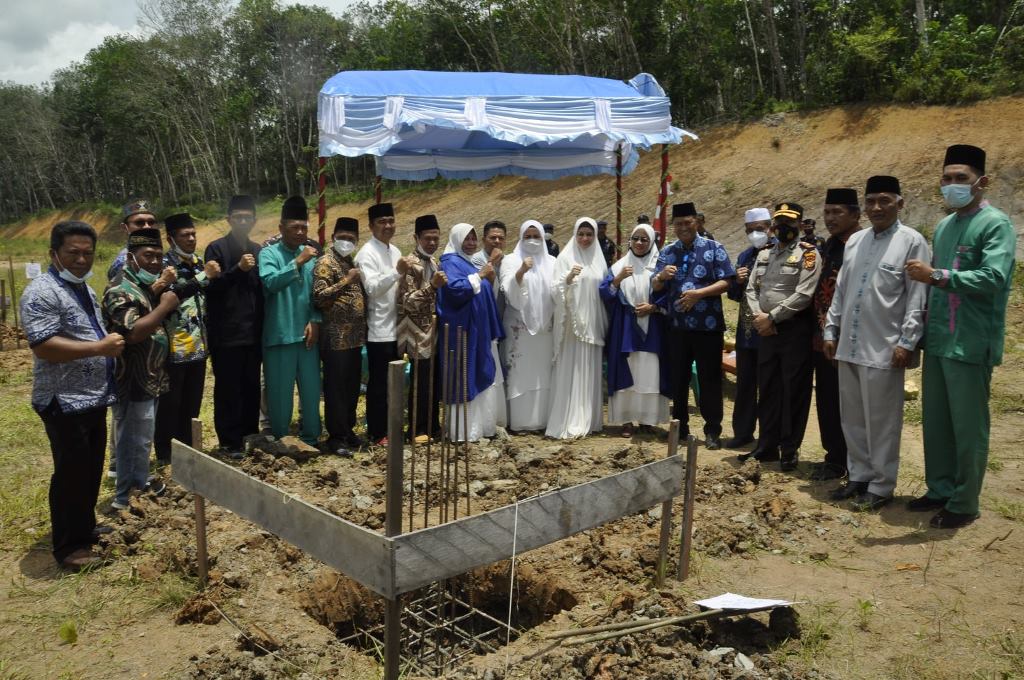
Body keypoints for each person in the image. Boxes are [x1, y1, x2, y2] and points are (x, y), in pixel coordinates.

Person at [905, 144, 1017, 529]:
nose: (952, 185)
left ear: (982, 182)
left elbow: (995, 277)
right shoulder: (945, 226)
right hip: (939, 340)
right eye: (947, 179)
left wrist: (937, 275)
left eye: (961, 179)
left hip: (970, 341)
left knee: (968, 426)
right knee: (935, 422)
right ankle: (939, 488)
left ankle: (965, 501)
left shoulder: (995, 224)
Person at [21, 221, 124, 569]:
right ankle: (69, 547)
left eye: (88, 253)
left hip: (92, 397)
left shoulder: (84, 289)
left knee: (90, 467)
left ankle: (85, 527)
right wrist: (100, 347)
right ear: (53, 254)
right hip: (63, 400)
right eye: (73, 253)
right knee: (70, 473)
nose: (82, 259)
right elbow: (44, 345)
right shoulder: (41, 291)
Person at [823, 176, 930, 511]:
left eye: (885, 201)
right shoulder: (855, 241)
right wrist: (830, 329)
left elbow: (918, 297)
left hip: (885, 347)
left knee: (882, 422)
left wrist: (907, 341)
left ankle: (882, 486)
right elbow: (841, 291)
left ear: (900, 203)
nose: (876, 208)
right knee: (851, 418)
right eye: (870, 201)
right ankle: (858, 476)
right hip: (849, 345)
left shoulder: (912, 242)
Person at [102, 227, 180, 509]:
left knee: (142, 438)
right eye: (148, 255)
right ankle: (125, 497)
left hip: (151, 377)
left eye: (159, 256)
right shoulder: (120, 288)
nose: (155, 261)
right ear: (131, 257)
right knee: (130, 439)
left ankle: (141, 480)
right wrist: (165, 306)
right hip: (133, 379)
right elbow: (133, 331)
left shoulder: (142, 286)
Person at [741, 203, 821, 471]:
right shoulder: (765, 254)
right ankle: (766, 445)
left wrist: (772, 317)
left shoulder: (808, 255)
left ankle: (789, 449)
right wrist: (759, 318)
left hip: (792, 330)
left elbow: (804, 294)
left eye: (790, 223)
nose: (783, 228)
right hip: (766, 331)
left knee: (793, 391)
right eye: (780, 223)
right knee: (769, 388)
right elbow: (751, 289)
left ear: (799, 225)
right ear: (773, 225)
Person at [652, 202, 735, 449]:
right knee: (679, 379)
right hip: (677, 328)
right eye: (678, 224)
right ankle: (680, 428)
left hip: (707, 328)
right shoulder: (667, 252)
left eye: (688, 223)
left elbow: (727, 281)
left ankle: (712, 432)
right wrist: (661, 277)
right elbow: (654, 287)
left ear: (696, 222)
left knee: (710, 379)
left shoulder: (713, 248)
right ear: (673, 227)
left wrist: (699, 294)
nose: (683, 228)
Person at [153, 213, 221, 464]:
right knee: (170, 405)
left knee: (191, 403)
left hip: (198, 346)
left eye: (193, 234)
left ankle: (187, 451)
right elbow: (172, 295)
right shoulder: (164, 265)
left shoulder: (198, 262)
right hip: (174, 347)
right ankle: (166, 455)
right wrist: (205, 276)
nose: (191, 238)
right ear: (171, 238)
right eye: (185, 235)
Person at [258, 196, 322, 447]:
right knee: (280, 393)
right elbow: (270, 282)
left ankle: (311, 438)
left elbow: (317, 293)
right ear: (281, 228)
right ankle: (282, 440)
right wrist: (297, 262)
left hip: (307, 334)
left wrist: (315, 320)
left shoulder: (313, 257)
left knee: (311, 391)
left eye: (304, 227)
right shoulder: (269, 254)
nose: (300, 232)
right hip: (280, 334)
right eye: (294, 227)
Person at [808, 189, 862, 480]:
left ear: (856, 214)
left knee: (850, 404)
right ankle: (834, 458)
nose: (830, 218)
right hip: (822, 338)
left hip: (850, 339)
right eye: (827, 212)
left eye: (837, 212)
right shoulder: (828, 246)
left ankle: (854, 462)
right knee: (827, 401)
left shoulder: (862, 245)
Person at [204, 195, 263, 457]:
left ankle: (249, 435)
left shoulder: (258, 249)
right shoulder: (216, 249)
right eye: (237, 217)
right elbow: (212, 288)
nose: (242, 221)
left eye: (247, 217)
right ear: (228, 220)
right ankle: (229, 441)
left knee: (251, 386)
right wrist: (237, 269)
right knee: (228, 389)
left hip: (253, 333)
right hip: (226, 334)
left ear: (254, 220)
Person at [436, 223, 504, 442]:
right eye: (467, 239)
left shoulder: (464, 262)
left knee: (480, 372)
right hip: (462, 331)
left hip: (476, 330)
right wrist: (481, 275)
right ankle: (462, 431)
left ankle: (482, 428)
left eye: (474, 239)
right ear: (457, 240)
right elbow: (455, 290)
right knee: (464, 376)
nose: (472, 243)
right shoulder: (450, 262)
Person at [601, 223, 670, 436]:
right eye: (635, 239)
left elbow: (671, 294)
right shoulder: (619, 266)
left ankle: (647, 420)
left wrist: (654, 307)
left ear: (652, 242)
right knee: (627, 370)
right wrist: (619, 278)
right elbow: (605, 293)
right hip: (626, 328)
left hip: (654, 327)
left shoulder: (660, 266)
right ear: (629, 241)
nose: (639, 243)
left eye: (644, 239)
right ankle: (626, 420)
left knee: (650, 372)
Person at [546, 218, 608, 439]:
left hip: (592, 324)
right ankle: (569, 419)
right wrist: (568, 278)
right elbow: (553, 290)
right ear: (574, 234)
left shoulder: (599, 260)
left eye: (589, 234)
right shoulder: (564, 258)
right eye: (580, 234)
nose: (584, 239)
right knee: (571, 370)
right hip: (571, 326)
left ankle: (589, 419)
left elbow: (604, 290)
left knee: (589, 370)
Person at [314, 217, 368, 456]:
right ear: (333, 237)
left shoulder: (349, 261)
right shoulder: (326, 262)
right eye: (343, 237)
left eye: (351, 238)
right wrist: (346, 281)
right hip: (335, 338)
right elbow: (319, 297)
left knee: (352, 387)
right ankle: (336, 437)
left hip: (354, 338)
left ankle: (348, 430)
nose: (347, 241)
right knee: (335, 388)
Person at [354, 202, 403, 446]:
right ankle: (376, 432)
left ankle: (392, 428)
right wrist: (396, 273)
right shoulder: (366, 253)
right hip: (378, 330)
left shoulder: (394, 250)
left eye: (390, 221)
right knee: (379, 385)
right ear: (371, 226)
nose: (388, 226)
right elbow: (372, 289)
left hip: (397, 328)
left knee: (395, 384)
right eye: (382, 222)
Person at [500, 220, 556, 432]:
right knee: (520, 371)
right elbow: (508, 289)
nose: (532, 241)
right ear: (521, 237)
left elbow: (557, 291)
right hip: (519, 327)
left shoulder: (551, 262)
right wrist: (521, 272)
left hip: (544, 329)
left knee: (543, 371)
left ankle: (542, 420)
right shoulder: (511, 260)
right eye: (528, 236)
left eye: (536, 236)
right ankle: (520, 421)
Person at [724, 208, 773, 449]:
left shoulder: (779, 252)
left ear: (770, 227)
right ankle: (742, 433)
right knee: (745, 385)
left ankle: (768, 437)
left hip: (770, 331)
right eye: (751, 230)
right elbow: (733, 294)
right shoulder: (744, 256)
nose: (756, 234)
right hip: (745, 333)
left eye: (761, 229)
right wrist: (738, 281)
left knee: (768, 386)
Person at [396, 214, 446, 442]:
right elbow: (407, 302)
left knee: (433, 382)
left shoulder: (434, 262)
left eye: (436, 238)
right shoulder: (410, 264)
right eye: (427, 239)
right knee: (420, 383)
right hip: (416, 332)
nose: (432, 243)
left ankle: (433, 426)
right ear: (416, 237)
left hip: (432, 332)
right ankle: (416, 430)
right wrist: (432, 288)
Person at [107, 199, 159, 282]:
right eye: (139, 223)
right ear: (124, 228)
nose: (147, 227)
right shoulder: (123, 262)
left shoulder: (159, 255)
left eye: (151, 222)